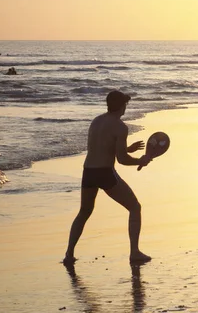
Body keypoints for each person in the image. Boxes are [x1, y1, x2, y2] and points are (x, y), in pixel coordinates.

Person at [62, 90, 152, 265]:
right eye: (125, 104)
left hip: (88, 171)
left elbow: (101, 146)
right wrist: (140, 160)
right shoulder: (120, 127)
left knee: (84, 212)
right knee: (134, 207)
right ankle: (134, 252)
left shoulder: (97, 121)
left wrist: (128, 149)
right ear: (121, 106)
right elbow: (122, 160)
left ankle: (69, 254)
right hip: (105, 173)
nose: (126, 107)